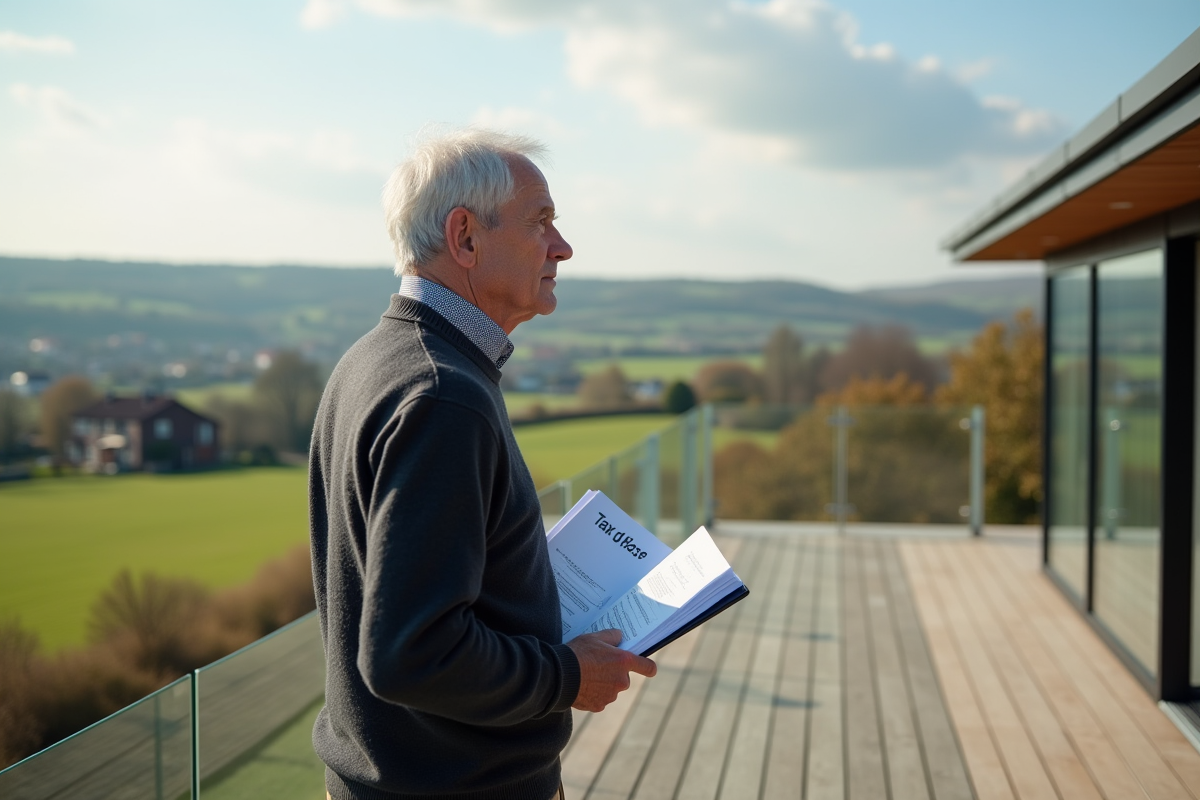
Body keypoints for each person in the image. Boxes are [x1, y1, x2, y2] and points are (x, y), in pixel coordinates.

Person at [308, 128, 657, 800]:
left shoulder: (373, 361)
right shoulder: (444, 395)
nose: (563, 246)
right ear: (465, 237)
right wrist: (565, 676)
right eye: (542, 222)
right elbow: (411, 652)